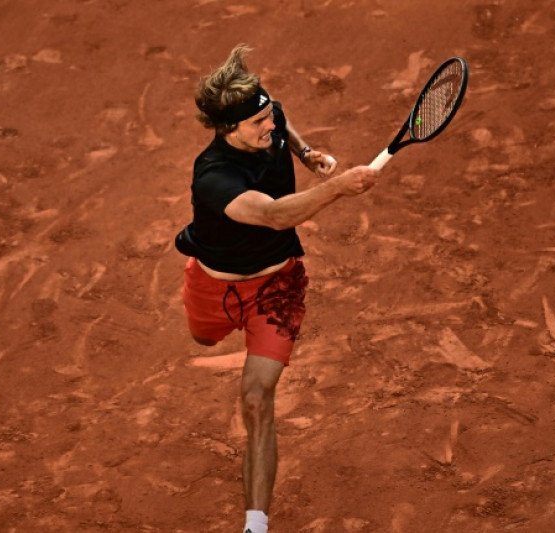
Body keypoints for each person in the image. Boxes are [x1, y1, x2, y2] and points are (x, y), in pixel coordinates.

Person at [174, 44, 379, 533]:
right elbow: (273, 215)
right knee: (203, 339)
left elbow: (282, 120)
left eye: (268, 114)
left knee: (255, 398)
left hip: (277, 288)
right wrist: (336, 187)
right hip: (213, 287)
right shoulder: (215, 179)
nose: (270, 125)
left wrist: (306, 154)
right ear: (229, 130)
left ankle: (255, 524)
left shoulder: (268, 118)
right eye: (258, 123)